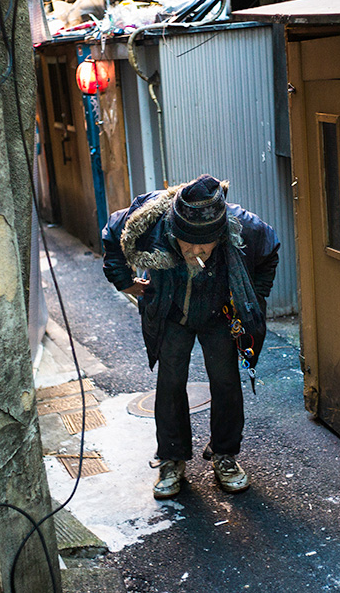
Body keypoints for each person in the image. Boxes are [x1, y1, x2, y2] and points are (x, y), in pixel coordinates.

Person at [102, 175, 279, 498]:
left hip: (218, 312)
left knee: (225, 381)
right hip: (171, 313)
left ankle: (225, 455)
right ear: (174, 232)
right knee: (170, 381)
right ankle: (172, 459)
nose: (196, 252)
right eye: (188, 245)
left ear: (220, 236)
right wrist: (123, 281)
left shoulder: (241, 226)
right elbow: (114, 232)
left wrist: (253, 296)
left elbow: (269, 252)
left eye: (205, 246)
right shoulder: (152, 220)